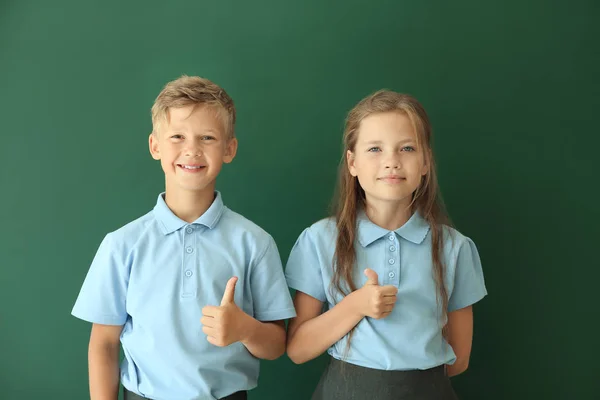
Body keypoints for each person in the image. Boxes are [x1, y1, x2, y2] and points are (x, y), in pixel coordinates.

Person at [72, 75, 296, 400]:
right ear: (155, 146)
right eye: (177, 136)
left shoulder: (255, 243)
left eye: (207, 137)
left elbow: (276, 345)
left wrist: (244, 328)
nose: (191, 150)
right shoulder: (122, 245)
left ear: (229, 149)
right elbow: (103, 344)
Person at [285, 89, 487, 400]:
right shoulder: (319, 240)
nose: (391, 162)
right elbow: (298, 349)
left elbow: (459, 359)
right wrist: (355, 306)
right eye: (375, 149)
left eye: (407, 148)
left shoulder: (455, 248)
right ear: (352, 162)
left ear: (425, 163)